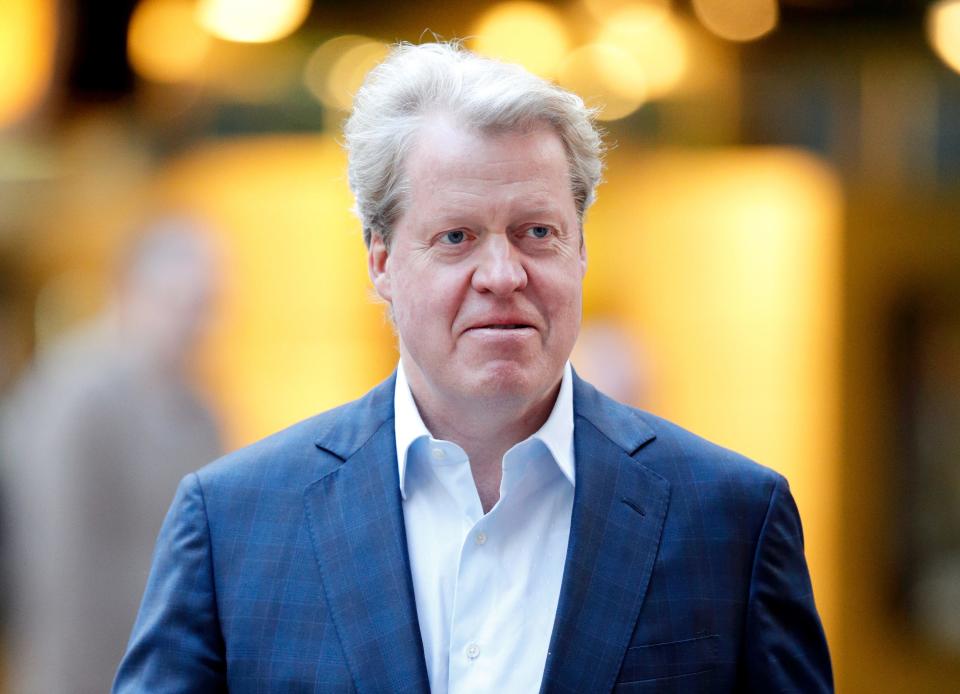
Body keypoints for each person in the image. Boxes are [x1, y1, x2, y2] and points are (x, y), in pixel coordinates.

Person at [113, 42, 832, 693]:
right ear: (382, 262)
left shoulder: (731, 522)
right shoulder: (234, 526)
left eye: (537, 233)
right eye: (456, 237)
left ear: (581, 250)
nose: (502, 273)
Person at [1, 218, 222, 694]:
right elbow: (56, 571)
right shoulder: (75, 396)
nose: (194, 327)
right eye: (179, 306)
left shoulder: (198, 408)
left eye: (205, 309)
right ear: (130, 292)